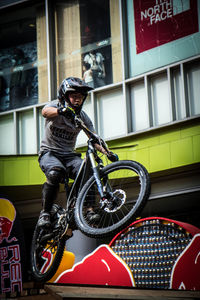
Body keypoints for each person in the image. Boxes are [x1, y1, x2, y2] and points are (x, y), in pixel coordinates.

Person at [37, 77, 107, 228]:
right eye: (74, 96)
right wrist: (60, 111)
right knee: (55, 173)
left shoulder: (82, 117)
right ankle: (45, 212)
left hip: (69, 156)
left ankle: (88, 209)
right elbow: (45, 112)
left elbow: (93, 137)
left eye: (80, 98)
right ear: (65, 95)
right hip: (50, 153)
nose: (77, 100)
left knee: (86, 171)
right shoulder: (56, 106)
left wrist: (107, 152)